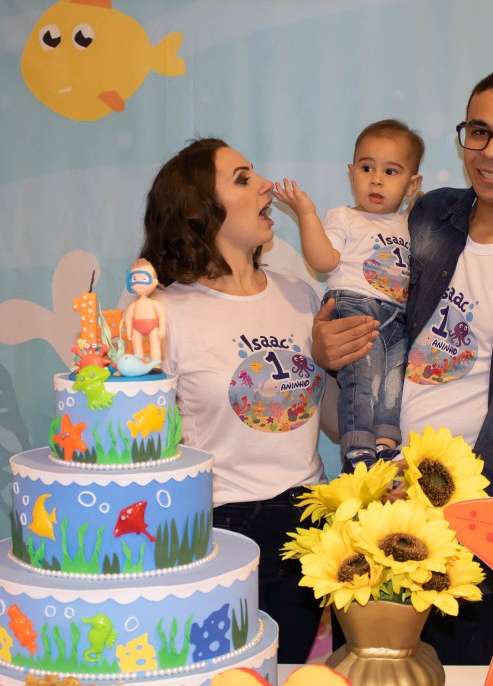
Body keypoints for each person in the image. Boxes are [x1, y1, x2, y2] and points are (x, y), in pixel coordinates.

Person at [312, 66, 493, 664]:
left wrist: (441, 484)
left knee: (455, 673)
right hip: (370, 501)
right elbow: (364, 313)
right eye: (478, 131)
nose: (491, 152)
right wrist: (327, 354)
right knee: (364, 671)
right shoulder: (424, 217)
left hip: (472, 528)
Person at [139, 138, 327, 664]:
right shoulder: (161, 314)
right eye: (243, 178)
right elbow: (143, 448)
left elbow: (329, 420)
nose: (266, 185)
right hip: (226, 527)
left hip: (312, 522)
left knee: (287, 670)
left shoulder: (301, 295)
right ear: (200, 208)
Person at [273, 119, 423, 472]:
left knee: (393, 382)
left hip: (397, 317)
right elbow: (323, 261)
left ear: (411, 184)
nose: (376, 180)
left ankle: (385, 444)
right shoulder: (343, 217)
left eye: (391, 172)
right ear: (351, 173)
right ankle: (358, 448)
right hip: (356, 307)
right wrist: (307, 215)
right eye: (367, 168)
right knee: (361, 378)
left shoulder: (409, 223)